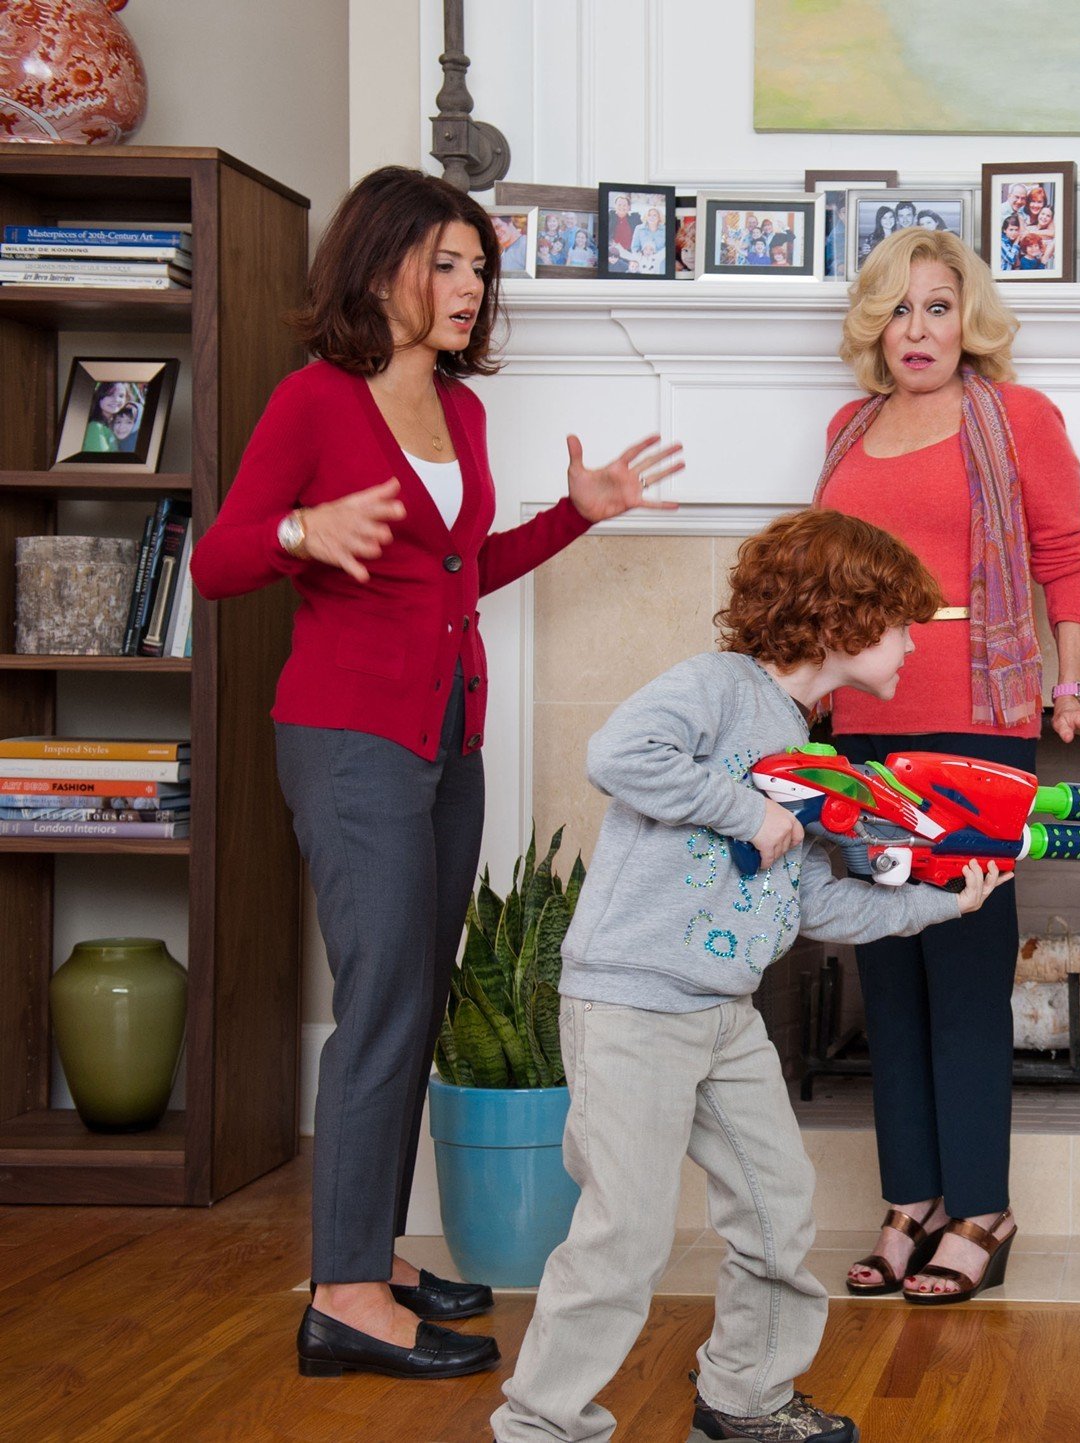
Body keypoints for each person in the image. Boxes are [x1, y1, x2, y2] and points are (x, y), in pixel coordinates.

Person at [188, 165, 684, 1382]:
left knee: (411, 996)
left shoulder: (457, 415)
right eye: (445, 264)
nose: (469, 288)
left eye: (478, 267)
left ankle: (367, 1253)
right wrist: (304, 534)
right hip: (348, 741)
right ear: (379, 265)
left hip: (444, 743)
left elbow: (457, 574)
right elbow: (217, 563)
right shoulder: (315, 401)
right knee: (382, 1006)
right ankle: (344, 1298)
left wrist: (577, 515)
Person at [493, 508, 1012, 1443]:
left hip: (723, 1013)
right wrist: (741, 810)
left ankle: (746, 1397)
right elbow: (617, 753)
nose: (911, 645)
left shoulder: (812, 752)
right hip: (633, 1003)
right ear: (844, 620)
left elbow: (820, 906)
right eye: (903, 623)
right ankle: (541, 1426)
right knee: (625, 1236)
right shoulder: (718, 688)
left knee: (779, 1208)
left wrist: (948, 904)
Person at [817, 226, 1080, 1304]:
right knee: (884, 971)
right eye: (898, 309)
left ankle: (982, 1207)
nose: (917, 329)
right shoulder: (845, 428)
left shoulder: (1018, 419)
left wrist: (1071, 686)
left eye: (938, 307)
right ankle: (910, 1201)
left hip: (977, 723)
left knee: (959, 968)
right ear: (874, 323)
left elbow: (1062, 552)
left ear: (970, 320)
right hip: (859, 725)